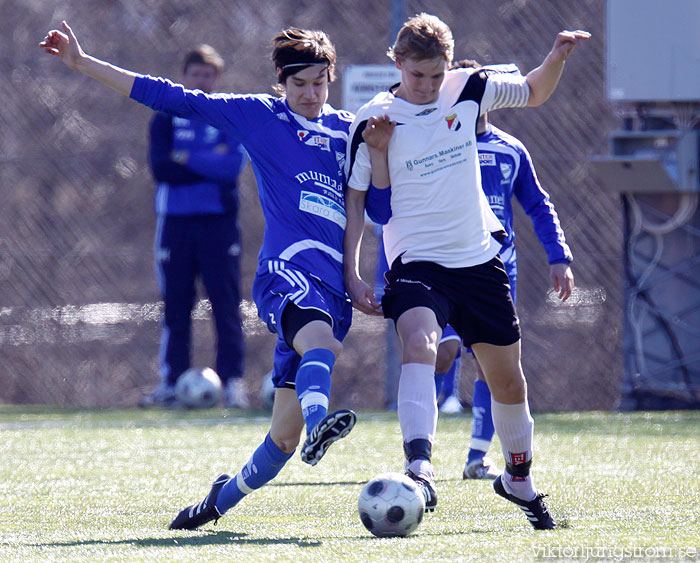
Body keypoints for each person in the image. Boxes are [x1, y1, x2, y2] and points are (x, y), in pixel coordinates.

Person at [40, 22, 357, 530]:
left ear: (331, 80)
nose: (311, 93)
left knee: (281, 440)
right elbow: (173, 97)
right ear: (282, 82)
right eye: (300, 84)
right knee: (320, 343)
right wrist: (84, 63)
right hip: (286, 273)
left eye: (319, 83)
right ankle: (323, 424)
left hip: (335, 287)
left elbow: (376, 204)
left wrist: (383, 153)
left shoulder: (348, 130)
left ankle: (216, 503)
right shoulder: (261, 116)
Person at [344, 13, 589, 529]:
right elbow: (371, 211)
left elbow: (533, 91)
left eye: (437, 75)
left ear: (450, 67)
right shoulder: (372, 119)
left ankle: (517, 479)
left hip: (478, 260)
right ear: (397, 63)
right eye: (418, 76)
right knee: (421, 346)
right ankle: (420, 468)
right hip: (415, 263)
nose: (429, 86)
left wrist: (556, 58)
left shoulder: (470, 88)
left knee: (508, 381)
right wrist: (354, 272)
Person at [440, 59, 575, 481]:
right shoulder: (435, 145)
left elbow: (538, 203)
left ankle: (477, 457)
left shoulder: (510, 149)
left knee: (491, 367)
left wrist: (559, 256)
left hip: (498, 270)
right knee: (439, 352)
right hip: (444, 265)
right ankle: (418, 451)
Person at [139, 45, 249, 409]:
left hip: (219, 224)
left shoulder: (228, 116)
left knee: (226, 305)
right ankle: (171, 381)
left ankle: (232, 382)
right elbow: (162, 169)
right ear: (184, 76)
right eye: (195, 74)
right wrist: (206, 160)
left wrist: (186, 158)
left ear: (217, 79)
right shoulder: (165, 118)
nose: (201, 80)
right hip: (176, 224)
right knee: (175, 305)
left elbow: (231, 167)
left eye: (208, 75)